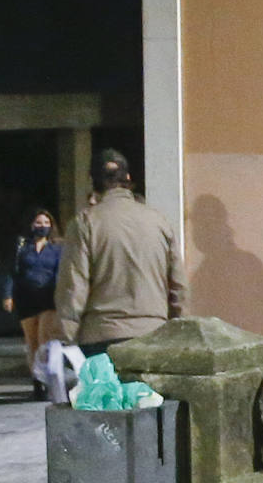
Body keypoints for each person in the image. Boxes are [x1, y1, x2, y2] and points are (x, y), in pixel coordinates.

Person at [54, 149, 186, 356]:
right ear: (128, 178)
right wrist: (180, 328)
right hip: (153, 333)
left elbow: (73, 285)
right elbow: (178, 284)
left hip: (101, 336)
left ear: (92, 180)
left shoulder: (85, 223)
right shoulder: (159, 222)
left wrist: (66, 336)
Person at [3, 207, 62, 399]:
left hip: (48, 298)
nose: (42, 226)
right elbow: (13, 272)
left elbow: (60, 273)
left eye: (46, 223)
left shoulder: (57, 247)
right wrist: (8, 295)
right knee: (32, 341)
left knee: (44, 338)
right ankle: (36, 382)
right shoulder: (22, 247)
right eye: (39, 222)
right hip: (25, 298)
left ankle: (46, 379)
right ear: (32, 224)